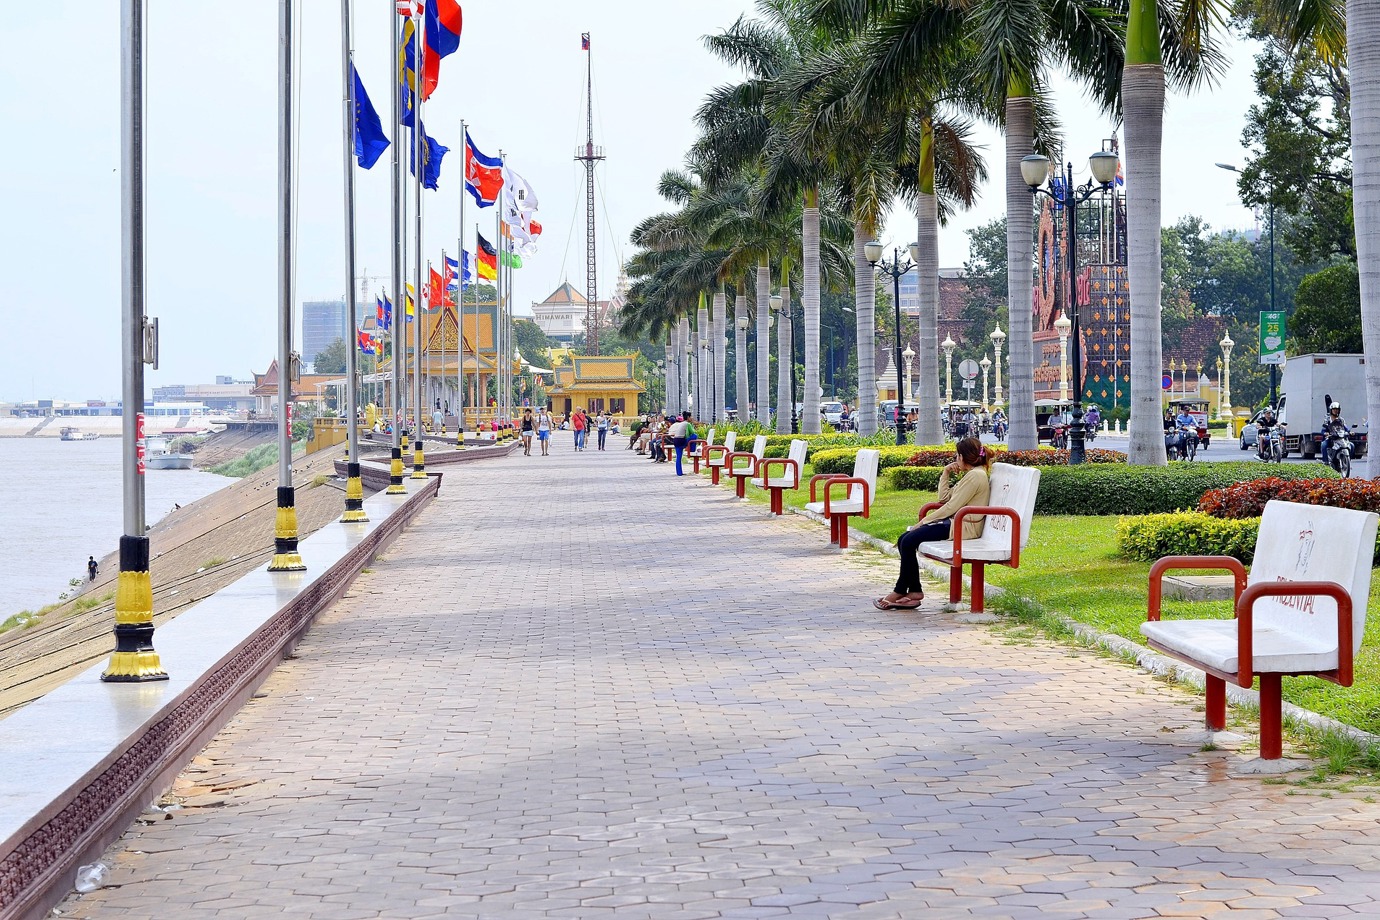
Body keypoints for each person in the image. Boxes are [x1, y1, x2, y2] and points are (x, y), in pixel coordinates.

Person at [877, 437, 993, 611]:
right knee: (904, 540)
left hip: (963, 527)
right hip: (956, 523)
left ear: (962, 457)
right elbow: (944, 498)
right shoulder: (973, 475)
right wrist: (945, 473)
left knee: (908, 541)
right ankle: (913, 590)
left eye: (956, 455)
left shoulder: (975, 476)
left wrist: (924, 521)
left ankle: (903, 590)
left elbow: (951, 506)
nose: (955, 459)